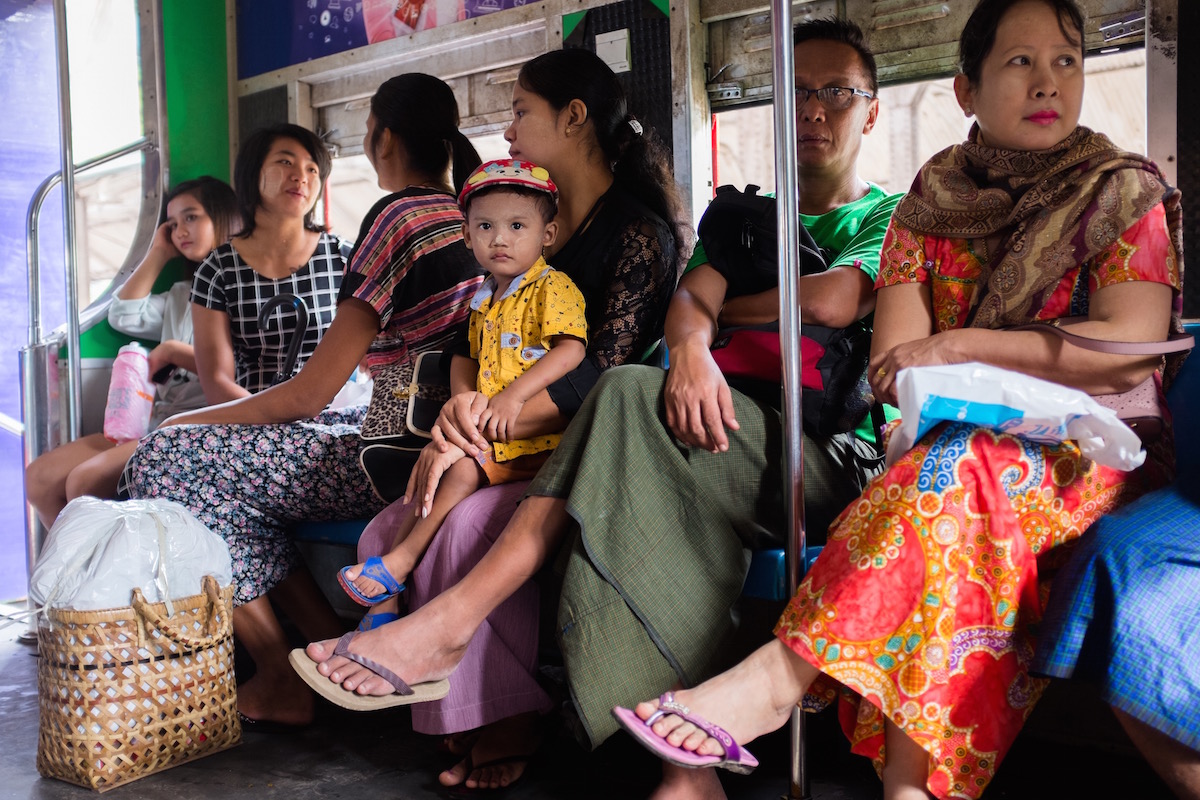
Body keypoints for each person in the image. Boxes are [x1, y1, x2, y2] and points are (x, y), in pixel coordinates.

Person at [297, 23, 898, 791]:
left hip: (819, 447)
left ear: (871, 112)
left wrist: (717, 316)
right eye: (799, 92)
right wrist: (688, 353)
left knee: (618, 397)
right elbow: (690, 308)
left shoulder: (889, 216)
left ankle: (449, 632)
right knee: (635, 501)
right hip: (709, 429)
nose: (814, 109)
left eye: (836, 93)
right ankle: (684, 772)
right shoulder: (740, 216)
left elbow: (835, 299)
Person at [611, 1, 1185, 798]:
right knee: (953, 475)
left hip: (1097, 457)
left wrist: (966, 345)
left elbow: (1122, 350)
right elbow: (894, 366)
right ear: (966, 89)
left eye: (1065, 61)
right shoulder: (929, 203)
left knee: (954, 477)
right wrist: (948, 369)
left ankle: (779, 684)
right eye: (1019, 63)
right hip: (954, 451)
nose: (1048, 81)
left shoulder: (1121, 193)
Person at [295, 47, 685, 790]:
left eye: (519, 112)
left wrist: (491, 424)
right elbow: (465, 347)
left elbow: (604, 373)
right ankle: (454, 701)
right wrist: (459, 415)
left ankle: (506, 714)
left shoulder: (634, 234)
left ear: (573, 119)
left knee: (472, 524)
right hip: (502, 435)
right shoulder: (522, 230)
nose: (505, 130)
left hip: (583, 450)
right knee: (401, 513)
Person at [122, 79, 484, 728]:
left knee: (164, 462)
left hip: (395, 453)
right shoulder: (467, 211)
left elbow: (310, 393)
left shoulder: (395, 218)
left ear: (382, 138)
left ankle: (277, 669)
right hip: (447, 445)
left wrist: (178, 422)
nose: (300, 175)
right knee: (218, 483)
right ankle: (322, 656)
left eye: (310, 164)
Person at [337, 158, 587, 615]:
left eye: (516, 225)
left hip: (537, 438)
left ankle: (401, 563)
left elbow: (571, 351)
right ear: (467, 236)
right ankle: (387, 593)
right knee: (423, 476)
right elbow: (465, 357)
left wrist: (514, 396)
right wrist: (462, 398)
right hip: (489, 430)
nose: (500, 238)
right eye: (486, 226)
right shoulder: (484, 297)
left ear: (546, 235)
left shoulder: (554, 287)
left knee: (457, 471)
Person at [25, 177, 241, 529]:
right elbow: (123, 312)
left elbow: (232, 372)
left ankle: (104, 578)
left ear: (225, 218)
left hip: (200, 425)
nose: (180, 231)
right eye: (172, 224)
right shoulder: (180, 295)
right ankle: (75, 577)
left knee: (83, 483)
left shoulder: (244, 291)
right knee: (41, 478)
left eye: (191, 218)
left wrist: (173, 351)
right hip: (155, 422)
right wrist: (158, 250)